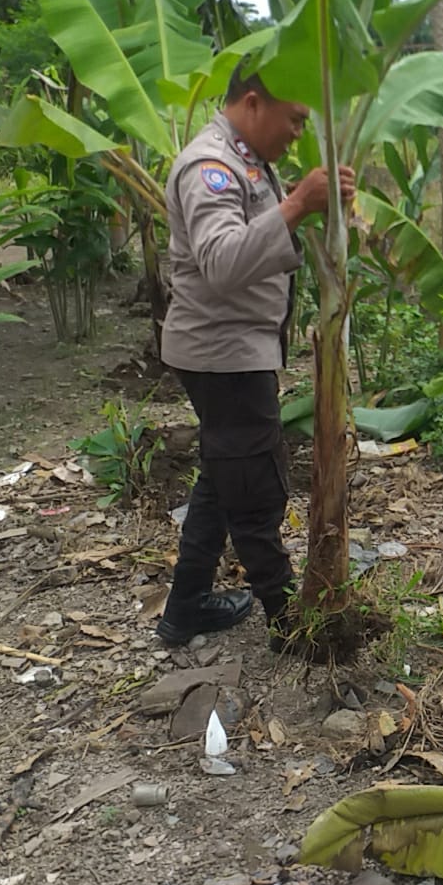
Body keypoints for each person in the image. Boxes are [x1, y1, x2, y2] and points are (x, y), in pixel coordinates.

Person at [155, 66, 355, 650]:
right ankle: (290, 619)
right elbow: (221, 262)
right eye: (293, 119)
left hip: (234, 350)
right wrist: (296, 204)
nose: (298, 133)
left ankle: (184, 608)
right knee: (256, 485)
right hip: (223, 357)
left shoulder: (243, 159)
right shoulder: (209, 166)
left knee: (223, 480)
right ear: (252, 103)